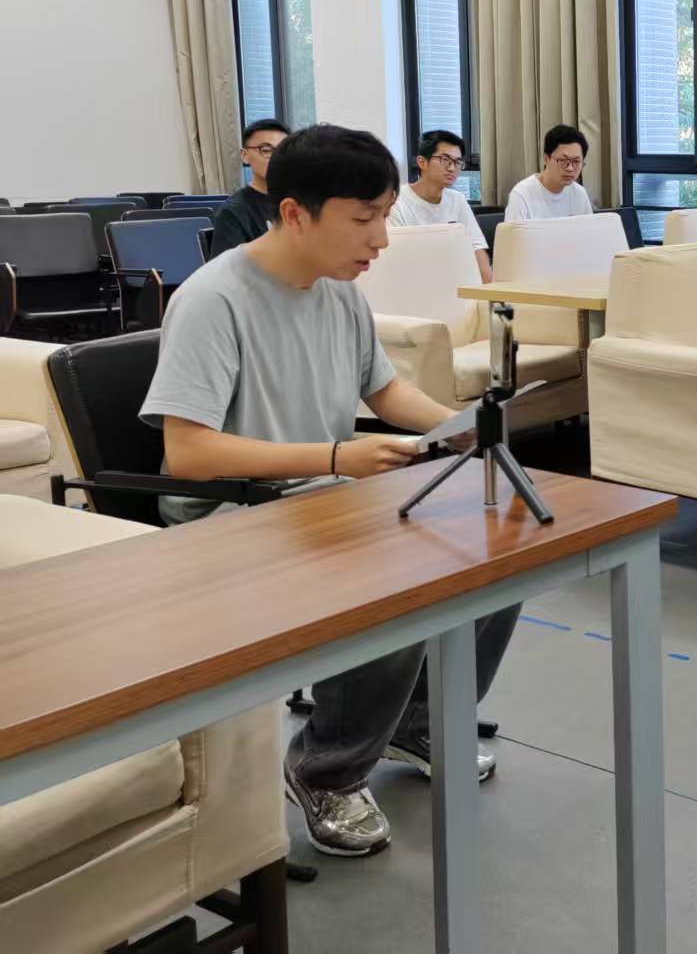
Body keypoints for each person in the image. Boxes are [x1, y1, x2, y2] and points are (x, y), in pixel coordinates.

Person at [140, 123, 517, 858]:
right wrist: (339, 456)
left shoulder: (338, 291)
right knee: (394, 576)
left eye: (385, 215)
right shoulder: (213, 300)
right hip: (231, 511)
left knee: (498, 552)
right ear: (295, 214)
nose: (381, 238)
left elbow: (385, 389)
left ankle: (415, 723)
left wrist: (459, 428)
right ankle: (327, 769)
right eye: (364, 218)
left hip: (320, 495)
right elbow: (187, 454)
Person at [389, 129, 493, 281]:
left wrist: (489, 289)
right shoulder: (397, 202)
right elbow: (395, 259)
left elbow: (476, 247)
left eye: (457, 162)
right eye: (445, 160)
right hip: (413, 281)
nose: (452, 168)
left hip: (456, 279)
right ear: (422, 162)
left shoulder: (457, 200)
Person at [209, 118, 289, 255]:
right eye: (266, 150)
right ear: (244, 155)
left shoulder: (302, 202)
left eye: (283, 150)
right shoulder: (233, 213)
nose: (276, 158)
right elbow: (229, 267)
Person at [503, 123, 594, 221]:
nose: (570, 168)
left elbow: (590, 229)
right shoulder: (522, 195)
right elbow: (514, 231)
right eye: (563, 160)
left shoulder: (579, 194)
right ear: (546, 159)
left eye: (576, 161)